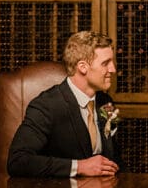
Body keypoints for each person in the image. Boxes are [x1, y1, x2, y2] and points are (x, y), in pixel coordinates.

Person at [7, 31, 121, 178]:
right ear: (82, 67)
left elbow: (116, 156)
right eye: (105, 63)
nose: (113, 69)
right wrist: (79, 167)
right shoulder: (45, 106)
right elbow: (17, 161)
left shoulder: (107, 102)